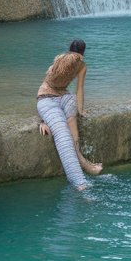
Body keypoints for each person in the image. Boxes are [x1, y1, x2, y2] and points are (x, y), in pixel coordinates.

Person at [37, 39, 103, 190]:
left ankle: (82, 162)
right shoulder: (65, 62)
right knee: (64, 137)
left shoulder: (73, 63)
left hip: (64, 97)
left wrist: (80, 110)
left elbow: (78, 89)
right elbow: (47, 86)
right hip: (46, 100)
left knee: (74, 134)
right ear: (83, 53)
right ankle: (80, 182)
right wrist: (42, 120)